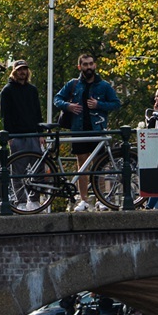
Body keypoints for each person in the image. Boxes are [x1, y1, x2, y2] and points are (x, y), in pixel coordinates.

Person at [53, 53, 120, 211]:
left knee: (99, 166)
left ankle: (101, 198)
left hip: (97, 129)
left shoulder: (103, 86)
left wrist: (99, 104)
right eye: (85, 64)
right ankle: (83, 200)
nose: (88, 67)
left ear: (95, 65)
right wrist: (68, 106)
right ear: (80, 67)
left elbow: (116, 103)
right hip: (79, 130)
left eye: (91, 64)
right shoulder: (73, 84)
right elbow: (57, 99)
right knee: (81, 166)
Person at [0, 60, 44, 155]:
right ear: (14, 72)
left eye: (24, 69)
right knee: (19, 168)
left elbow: (38, 112)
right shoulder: (7, 91)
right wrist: (10, 137)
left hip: (33, 135)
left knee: (38, 166)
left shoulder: (33, 90)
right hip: (17, 136)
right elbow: (5, 115)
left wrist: (40, 134)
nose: (22, 72)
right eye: (19, 69)